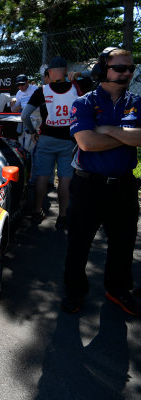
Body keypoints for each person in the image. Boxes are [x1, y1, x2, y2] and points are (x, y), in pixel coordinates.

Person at [61, 48, 141, 315]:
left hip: (125, 186)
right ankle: (74, 292)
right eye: (120, 68)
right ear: (101, 71)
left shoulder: (137, 102)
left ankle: (118, 290)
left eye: (130, 68)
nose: (127, 72)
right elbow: (87, 142)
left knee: (123, 243)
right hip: (88, 186)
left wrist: (107, 129)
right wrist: (125, 135)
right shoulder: (83, 103)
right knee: (78, 244)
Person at [22, 56, 93, 229]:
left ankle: (37, 211)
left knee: (42, 176)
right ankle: (62, 216)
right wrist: (78, 74)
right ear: (66, 69)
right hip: (69, 139)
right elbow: (98, 74)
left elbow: (25, 116)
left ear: (50, 72)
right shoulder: (78, 86)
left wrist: (32, 132)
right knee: (65, 180)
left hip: (46, 138)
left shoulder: (42, 90)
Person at [10, 74, 39, 152]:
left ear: (27, 82)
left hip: (38, 119)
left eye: (22, 84)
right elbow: (14, 110)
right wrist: (12, 103)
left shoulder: (35, 89)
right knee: (26, 145)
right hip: (27, 121)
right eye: (18, 85)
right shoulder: (19, 93)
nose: (20, 86)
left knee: (37, 144)